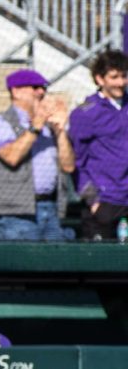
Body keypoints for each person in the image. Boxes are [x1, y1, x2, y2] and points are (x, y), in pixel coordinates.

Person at [0, 68, 74, 241]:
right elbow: (12, 156)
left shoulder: (49, 127)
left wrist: (60, 131)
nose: (41, 92)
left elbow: (68, 165)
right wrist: (36, 125)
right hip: (16, 213)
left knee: (54, 264)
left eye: (44, 88)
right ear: (16, 91)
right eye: (35, 87)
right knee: (21, 265)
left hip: (51, 208)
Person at [68, 49, 128, 241]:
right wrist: (93, 200)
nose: (121, 82)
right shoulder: (85, 113)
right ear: (100, 79)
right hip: (105, 203)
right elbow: (76, 161)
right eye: (114, 77)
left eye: (124, 76)